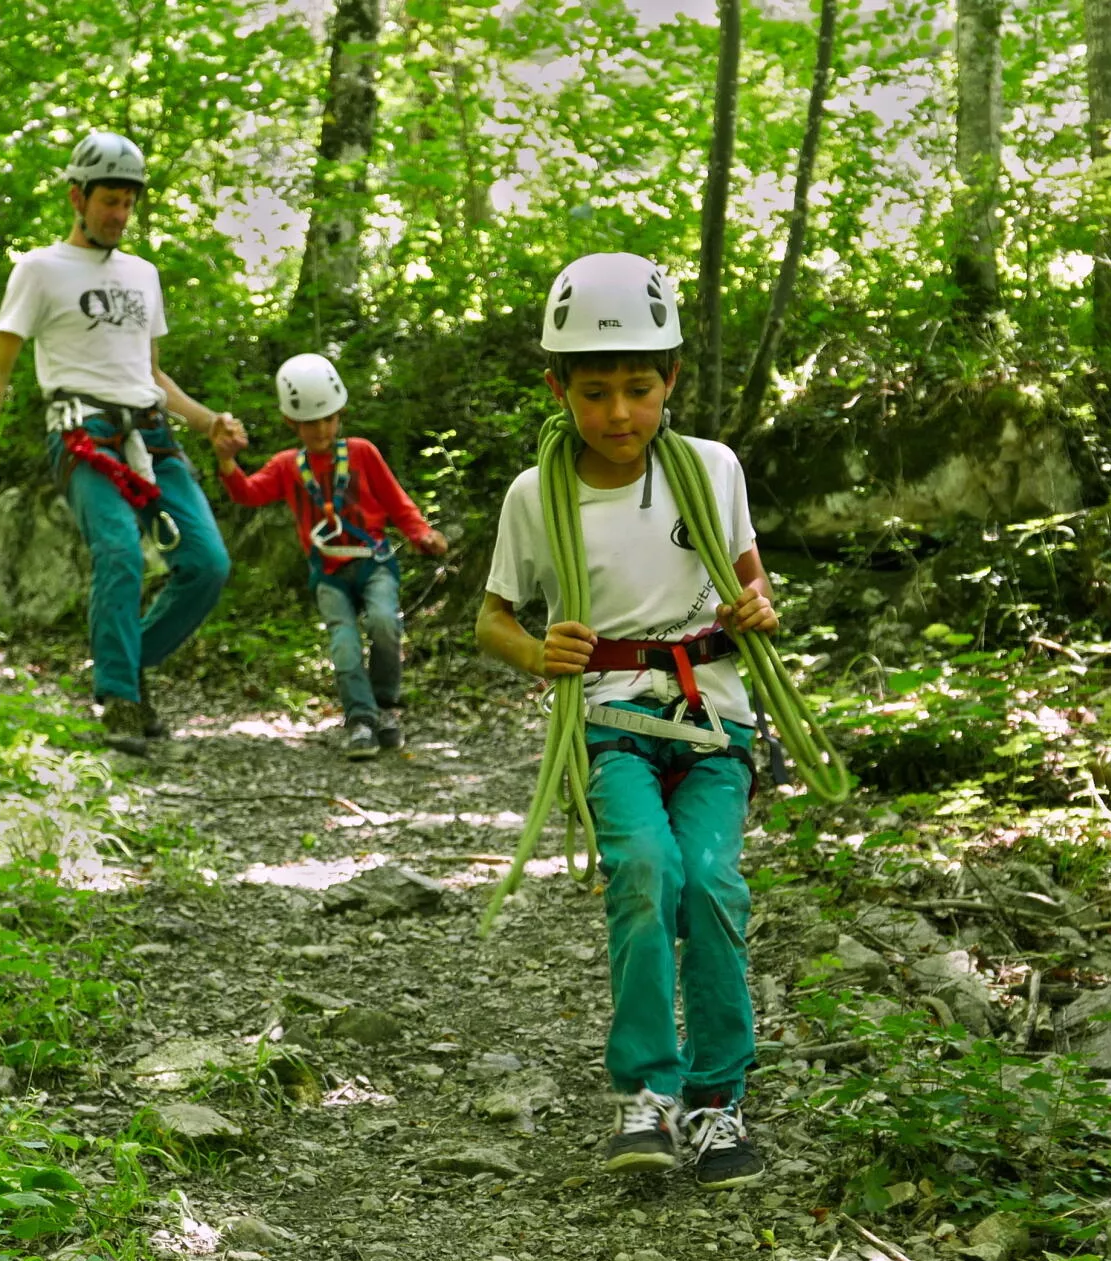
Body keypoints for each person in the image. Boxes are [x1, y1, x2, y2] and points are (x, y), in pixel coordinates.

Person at [475, 252, 781, 1188]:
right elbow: (493, 618)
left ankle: (718, 1101)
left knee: (713, 884)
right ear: (557, 390)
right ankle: (648, 1091)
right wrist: (540, 652)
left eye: (639, 390)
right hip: (610, 721)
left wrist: (757, 608)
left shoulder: (712, 470)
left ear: (671, 379)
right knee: (646, 872)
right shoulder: (537, 495)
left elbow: (751, 576)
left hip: (715, 718)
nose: (619, 415)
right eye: (595, 392)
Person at [0, 130, 243, 753]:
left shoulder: (143, 275)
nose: (119, 214)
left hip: (152, 435)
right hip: (83, 435)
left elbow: (153, 374)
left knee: (207, 564)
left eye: (128, 203)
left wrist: (208, 422)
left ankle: (126, 664)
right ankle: (119, 699)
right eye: (109, 201)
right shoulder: (39, 270)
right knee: (119, 553)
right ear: (77, 198)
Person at [213, 354, 449, 758]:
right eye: (311, 422)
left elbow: (396, 501)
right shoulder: (288, 466)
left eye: (328, 419)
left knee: (384, 623)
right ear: (292, 423)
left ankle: (385, 708)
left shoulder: (361, 453)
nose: (321, 429)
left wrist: (421, 533)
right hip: (328, 573)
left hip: (373, 562)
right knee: (343, 644)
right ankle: (360, 720)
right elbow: (248, 493)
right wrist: (225, 460)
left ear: (340, 415)